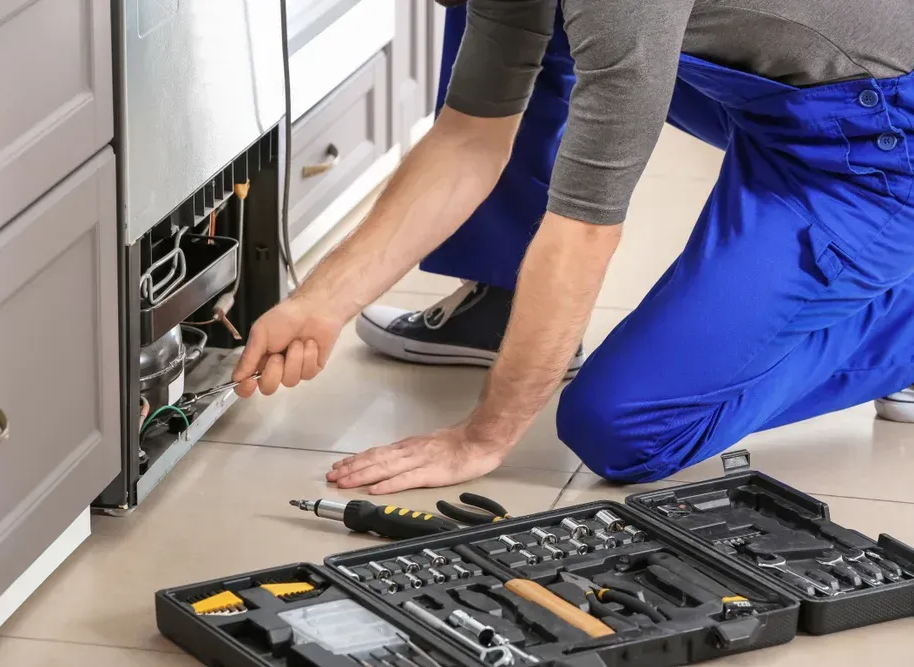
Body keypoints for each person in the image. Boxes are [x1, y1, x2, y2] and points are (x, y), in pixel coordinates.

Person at [233, 0, 914, 494]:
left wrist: (483, 437)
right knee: (560, 35)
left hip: (877, 141)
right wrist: (319, 301)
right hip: (795, 86)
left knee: (621, 426)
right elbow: (470, 138)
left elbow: (583, 230)